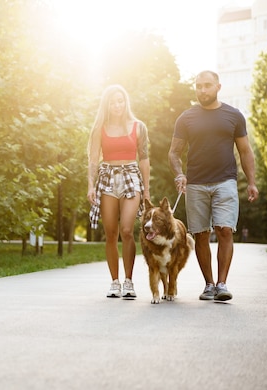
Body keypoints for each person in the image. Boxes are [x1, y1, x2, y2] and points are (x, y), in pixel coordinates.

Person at [168, 70, 259, 302]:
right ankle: (208, 284)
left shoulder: (234, 115)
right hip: (196, 183)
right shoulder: (186, 118)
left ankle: (222, 283)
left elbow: (245, 151)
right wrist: (179, 174)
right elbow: (174, 153)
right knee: (200, 234)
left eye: (207, 85)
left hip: (225, 181)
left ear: (218, 86)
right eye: (198, 86)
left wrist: (251, 182)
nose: (202, 90)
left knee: (225, 229)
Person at [88, 84, 150, 299]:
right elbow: (93, 159)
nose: (117, 105)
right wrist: (90, 186)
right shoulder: (99, 128)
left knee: (126, 230)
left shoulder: (138, 126)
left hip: (131, 177)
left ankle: (129, 281)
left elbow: (144, 159)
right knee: (111, 233)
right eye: (113, 102)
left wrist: (147, 191)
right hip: (107, 178)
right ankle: (114, 282)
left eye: (121, 101)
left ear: (126, 103)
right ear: (107, 104)